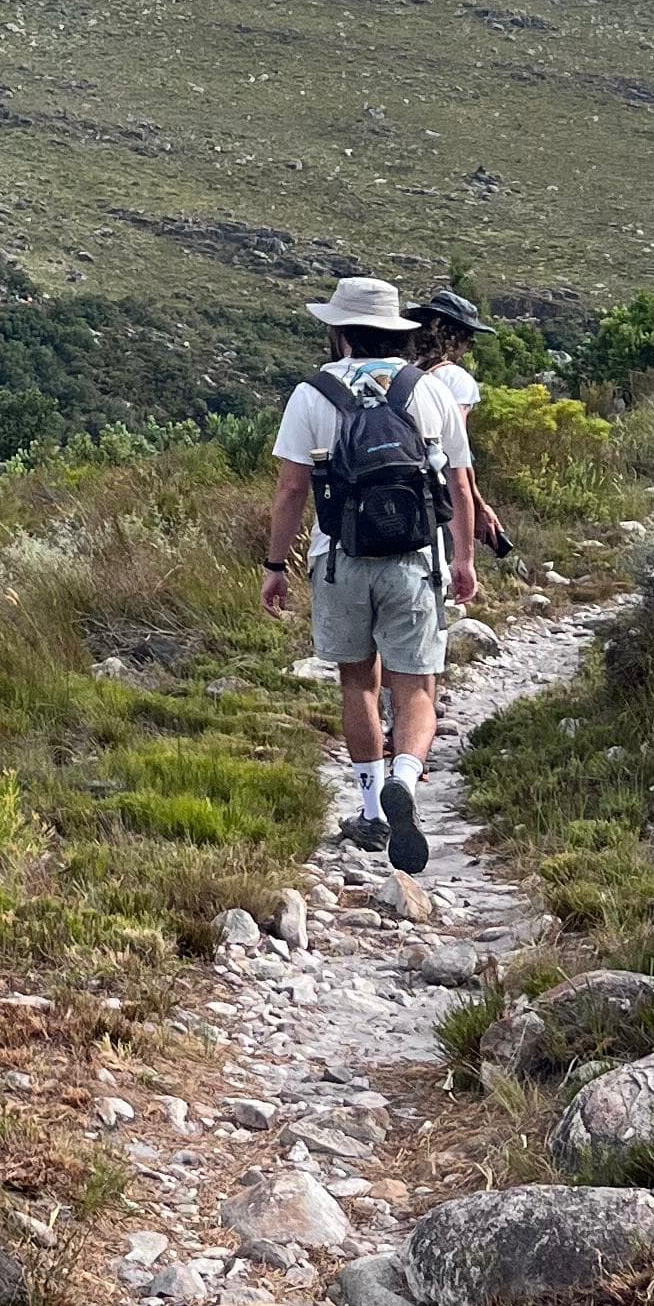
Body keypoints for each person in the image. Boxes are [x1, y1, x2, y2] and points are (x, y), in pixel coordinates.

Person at [258, 273, 480, 872]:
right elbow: (458, 484)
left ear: (340, 332)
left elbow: (291, 489)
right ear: (396, 331)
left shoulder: (312, 393)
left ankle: (373, 809)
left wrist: (276, 566)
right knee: (417, 684)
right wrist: (463, 558)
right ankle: (405, 775)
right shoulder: (430, 390)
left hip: (339, 557)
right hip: (417, 557)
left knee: (357, 679)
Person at [412, 287, 516, 581]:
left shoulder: (403, 371)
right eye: (468, 339)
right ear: (453, 337)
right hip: (437, 496)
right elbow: (453, 453)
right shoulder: (456, 379)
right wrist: (478, 507)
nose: (469, 347)